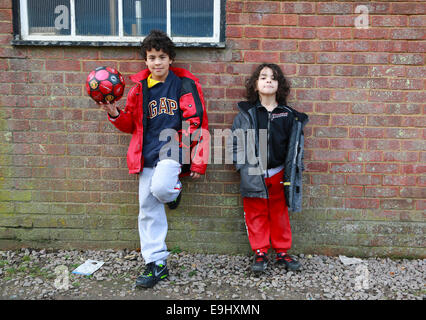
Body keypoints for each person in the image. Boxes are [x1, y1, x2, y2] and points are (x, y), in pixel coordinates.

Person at [99, 30, 209, 288]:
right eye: (151, 57)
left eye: (162, 57)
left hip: (173, 149)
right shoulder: (139, 89)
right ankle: (156, 262)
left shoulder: (184, 85)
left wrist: (198, 160)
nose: (157, 62)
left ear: (171, 59)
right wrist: (115, 113)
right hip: (146, 154)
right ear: (145, 61)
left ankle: (173, 189)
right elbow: (130, 125)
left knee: (161, 188)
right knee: (147, 210)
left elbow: (198, 122)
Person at [228, 63, 308, 273]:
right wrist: (241, 167)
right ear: (255, 85)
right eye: (263, 77)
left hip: (280, 173)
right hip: (254, 172)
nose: (268, 80)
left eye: (273, 77)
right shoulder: (246, 115)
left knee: (279, 213)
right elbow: (235, 144)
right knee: (255, 213)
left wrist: (294, 167)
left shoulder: (288, 114)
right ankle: (260, 252)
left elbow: (296, 145)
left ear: (279, 85)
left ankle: (282, 251)